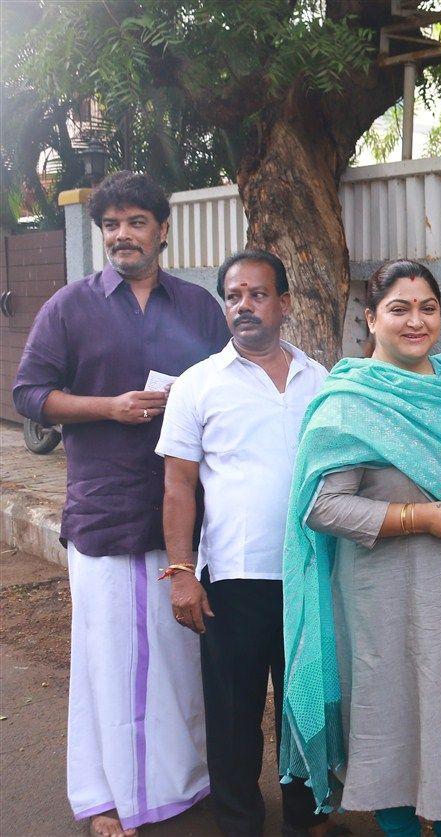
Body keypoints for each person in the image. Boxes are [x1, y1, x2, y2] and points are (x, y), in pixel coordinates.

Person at [279, 259, 441, 837]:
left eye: (427, 308)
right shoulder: (349, 400)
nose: (415, 321)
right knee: (390, 723)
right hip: (384, 601)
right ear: (370, 318)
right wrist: (422, 518)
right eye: (399, 309)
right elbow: (321, 507)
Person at [12, 171, 227, 837]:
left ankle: (178, 782)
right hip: (104, 508)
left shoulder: (197, 308)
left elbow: (228, 389)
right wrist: (107, 407)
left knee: (176, 654)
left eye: (136, 221)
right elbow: (30, 393)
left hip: (180, 514)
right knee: (104, 657)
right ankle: (103, 794)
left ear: (162, 230)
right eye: (111, 224)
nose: (122, 235)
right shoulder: (70, 307)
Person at [156, 250, 329, 836]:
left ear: (283, 303)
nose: (244, 306)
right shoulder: (198, 385)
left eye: (258, 294)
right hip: (231, 578)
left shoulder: (321, 380)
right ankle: (238, 821)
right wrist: (181, 570)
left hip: (309, 574)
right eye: (233, 296)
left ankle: (306, 820)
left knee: (303, 707)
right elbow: (179, 485)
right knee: (233, 713)